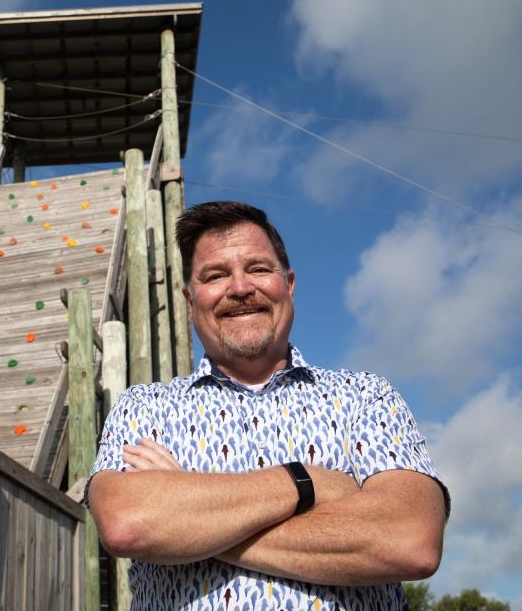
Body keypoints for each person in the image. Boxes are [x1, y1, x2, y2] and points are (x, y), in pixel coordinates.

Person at [87, 201, 448, 610]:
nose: (240, 288)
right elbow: (129, 525)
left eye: (258, 269)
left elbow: (409, 540)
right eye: (216, 275)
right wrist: (305, 483)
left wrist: (192, 519)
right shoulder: (144, 406)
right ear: (190, 300)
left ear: (288, 284)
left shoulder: (365, 398)